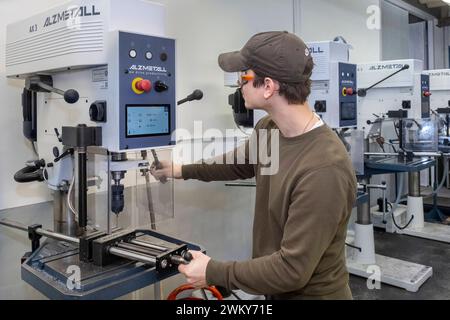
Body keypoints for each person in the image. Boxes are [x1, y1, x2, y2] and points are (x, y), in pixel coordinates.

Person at [151, 31, 357, 300]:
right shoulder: (269, 129)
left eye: (244, 77)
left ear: (268, 86)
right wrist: (179, 170)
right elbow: (237, 163)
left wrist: (214, 272)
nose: (239, 85)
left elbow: (292, 270)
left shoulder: (325, 168)